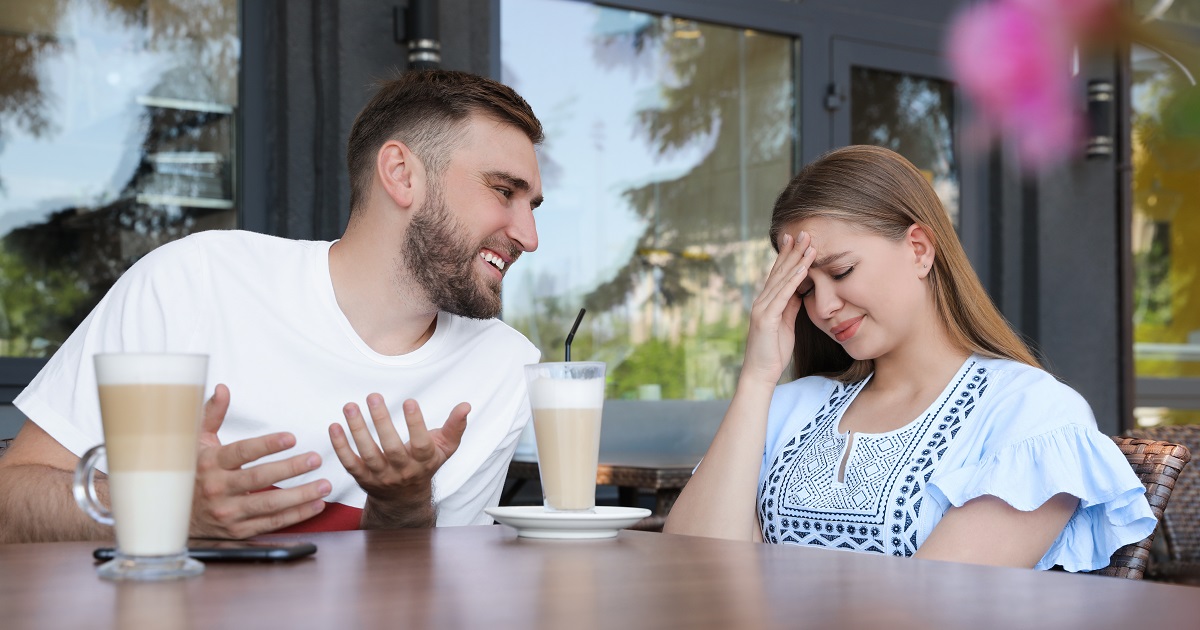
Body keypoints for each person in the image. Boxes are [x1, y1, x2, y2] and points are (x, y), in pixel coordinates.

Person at [0, 69, 545, 542]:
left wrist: (401, 509)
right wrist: (161, 511)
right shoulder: (197, 281)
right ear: (402, 174)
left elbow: (437, 594)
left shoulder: (502, 366)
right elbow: (11, 501)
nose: (529, 234)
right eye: (503, 191)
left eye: (533, 205)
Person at [664, 145, 1155, 571]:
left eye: (842, 270)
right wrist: (756, 377)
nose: (824, 307)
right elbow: (693, 570)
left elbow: (929, 607)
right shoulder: (788, 408)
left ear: (919, 248)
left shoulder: (1029, 415)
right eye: (806, 289)